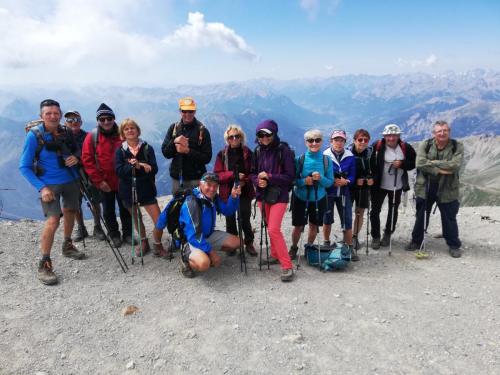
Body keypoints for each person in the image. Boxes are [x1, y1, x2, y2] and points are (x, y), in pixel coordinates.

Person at [19, 99, 85, 285]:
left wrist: (76, 158)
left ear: (61, 114)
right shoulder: (34, 136)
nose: (53, 116)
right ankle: (44, 263)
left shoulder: (66, 132)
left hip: (71, 180)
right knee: (53, 219)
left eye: (56, 113)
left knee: (71, 210)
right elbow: (24, 167)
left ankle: (67, 244)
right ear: (41, 116)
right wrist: (42, 188)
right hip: (49, 185)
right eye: (48, 113)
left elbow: (77, 150)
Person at [406, 121, 464, 257]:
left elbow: (455, 165)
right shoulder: (425, 145)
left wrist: (432, 164)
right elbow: (419, 163)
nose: (442, 133)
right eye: (439, 131)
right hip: (426, 185)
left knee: (449, 216)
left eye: (445, 130)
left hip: (447, 187)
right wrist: (441, 170)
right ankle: (416, 241)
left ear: (449, 131)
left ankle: (454, 244)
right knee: (421, 215)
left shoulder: (457, 146)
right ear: (434, 133)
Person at [81, 103, 135, 248]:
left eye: (109, 118)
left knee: (125, 208)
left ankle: (128, 234)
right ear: (98, 120)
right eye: (102, 119)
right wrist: (98, 181)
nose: (106, 122)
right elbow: (87, 160)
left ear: (113, 118)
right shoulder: (92, 137)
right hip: (104, 182)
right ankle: (114, 235)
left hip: (123, 180)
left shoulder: (122, 134)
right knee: (108, 209)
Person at [115, 119, 170, 258]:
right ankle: (144, 241)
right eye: (126, 129)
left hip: (146, 189)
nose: (130, 131)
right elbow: (119, 171)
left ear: (137, 130)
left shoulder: (146, 148)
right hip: (128, 190)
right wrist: (134, 166)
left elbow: (154, 169)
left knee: (159, 220)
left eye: (132, 128)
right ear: (123, 133)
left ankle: (157, 244)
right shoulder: (120, 151)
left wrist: (138, 165)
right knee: (136, 218)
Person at [250, 119, 295, 282]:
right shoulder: (257, 151)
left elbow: (290, 177)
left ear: (274, 133)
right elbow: (252, 173)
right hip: (263, 195)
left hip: (279, 196)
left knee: (273, 229)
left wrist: (269, 177)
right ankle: (275, 254)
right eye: (261, 135)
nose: (264, 138)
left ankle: (287, 266)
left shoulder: (284, 151)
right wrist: (257, 181)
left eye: (267, 134)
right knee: (270, 227)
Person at [175, 172, 241, 278]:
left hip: (207, 235)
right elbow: (193, 236)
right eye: (208, 185)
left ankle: (204, 251)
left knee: (238, 243)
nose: (212, 189)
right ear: (200, 184)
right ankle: (186, 261)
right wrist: (211, 252)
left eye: (215, 186)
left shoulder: (213, 197)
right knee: (204, 264)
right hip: (191, 240)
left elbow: (228, 211)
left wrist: (233, 197)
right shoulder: (192, 202)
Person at [369, 124, 416, 249]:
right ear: (384, 136)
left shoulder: (406, 147)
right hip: (379, 185)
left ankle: (388, 233)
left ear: (398, 136)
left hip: (397, 184)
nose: (391, 138)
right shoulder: (377, 146)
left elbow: (413, 163)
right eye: (388, 135)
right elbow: (370, 162)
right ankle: (375, 236)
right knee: (375, 211)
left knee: (393, 210)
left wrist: (402, 164)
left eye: (394, 135)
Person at [289, 129, 333, 259]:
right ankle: (294, 247)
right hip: (300, 198)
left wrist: (321, 179)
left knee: (314, 225)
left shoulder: (326, 160)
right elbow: (292, 180)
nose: (314, 143)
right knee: (298, 226)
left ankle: (308, 247)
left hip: (318, 198)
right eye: (310, 140)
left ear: (321, 142)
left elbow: (329, 182)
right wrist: (304, 181)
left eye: (317, 140)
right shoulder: (300, 160)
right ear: (305, 142)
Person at [213, 124, 257, 256]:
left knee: (245, 217)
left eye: (237, 136)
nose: (234, 139)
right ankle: (232, 243)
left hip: (244, 191)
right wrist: (233, 175)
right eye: (231, 137)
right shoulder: (222, 154)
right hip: (228, 192)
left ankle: (248, 242)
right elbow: (217, 175)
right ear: (227, 139)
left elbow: (253, 172)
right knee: (230, 218)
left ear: (241, 137)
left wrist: (245, 181)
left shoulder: (248, 153)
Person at [64, 110, 105, 242]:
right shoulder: (61, 138)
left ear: (81, 122)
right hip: (70, 174)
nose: (73, 122)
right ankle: (81, 228)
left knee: (94, 200)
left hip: (88, 173)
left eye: (76, 120)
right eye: (70, 120)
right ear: (65, 123)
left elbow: (94, 154)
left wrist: (78, 159)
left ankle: (97, 227)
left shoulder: (88, 137)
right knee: (75, 202)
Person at [161, 97, 212, 194]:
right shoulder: (173, 128)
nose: (187, 114)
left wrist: (188, 151)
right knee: (178, 207)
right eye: (184, 111)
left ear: (194, 111)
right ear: (180, 111)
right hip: (177, 178)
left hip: (196, 178)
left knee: (197, 207)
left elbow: (207, 158)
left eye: (190, 111)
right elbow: (166, 153)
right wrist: (174, 141)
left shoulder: (203, 131)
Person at [322, 130, 356, 253]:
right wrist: (332, 181)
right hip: (329, 192)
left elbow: (353, 175)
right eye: (336, 140)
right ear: (331, 141)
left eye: (341, 140)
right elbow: (323, 173)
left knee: (347, 220)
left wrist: (346, 181)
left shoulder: (350, 156)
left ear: (345, 142)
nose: (339, 143)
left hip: (344, 192)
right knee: (327, 218)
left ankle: (349, 247)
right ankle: (326, 243)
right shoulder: (325, 156)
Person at [348, 129, 374, 259]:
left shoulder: (370, 152)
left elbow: (374, 168)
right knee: (347, 213)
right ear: (354, 140)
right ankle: (347, 238)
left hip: (364, 187)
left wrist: (371, 179)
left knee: (360, 212)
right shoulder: (347, 153)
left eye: (366, 140)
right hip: (350, 187)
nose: (363, 142)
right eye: (360, 140)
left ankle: (354, 237)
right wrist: (353, 181)